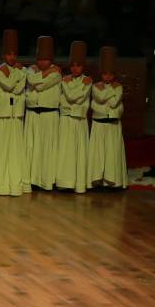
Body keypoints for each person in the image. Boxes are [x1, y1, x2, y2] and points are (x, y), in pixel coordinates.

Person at [0, 30, 28, 196]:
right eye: (8, 54)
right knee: (2, 150)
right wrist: (17, 76)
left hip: (16, 115)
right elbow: (7, 85)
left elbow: (19, 88)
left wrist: (16, 75)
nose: (12, 57)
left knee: (15, 152)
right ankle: (0, 185)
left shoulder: (22, 71)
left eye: (14, 54)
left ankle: (15, 184)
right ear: (3, 55)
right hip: (3, 114)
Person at [25, 35, 61, 191]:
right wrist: (41, 74)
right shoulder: (30, 70)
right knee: (32, 148)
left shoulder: (56, 74)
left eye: (46, 59)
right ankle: (31, 180)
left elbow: (40, 86)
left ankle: (46, 181)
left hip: (49, 115)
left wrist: (39, 76)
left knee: (47, 149)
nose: (42, 62)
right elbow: (33, 82)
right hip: (33, 114)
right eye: (40, 59)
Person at [88, 46, 127, 189]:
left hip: (113, 125)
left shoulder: (119, 87)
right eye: (105, 74)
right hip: (99, 124)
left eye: (110, 74)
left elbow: (114, 102)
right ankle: (97, 180)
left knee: (112, 153)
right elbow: (99, 97)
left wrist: (105, 98)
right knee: (98, 154)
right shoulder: (96, 86)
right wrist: (108, 94)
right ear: (101, 74)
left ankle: (111, 182)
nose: (108, 77)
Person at [57, 41, 92, 193]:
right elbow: (71, 97)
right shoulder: (65, 79)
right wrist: (76, 90)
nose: (75, 68)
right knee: (66, 151)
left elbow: (78, 97)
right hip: (66, 118)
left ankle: (78, 183)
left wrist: (74, 93)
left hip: (79, 119)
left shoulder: (88, 80)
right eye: (73, 65)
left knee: (79, 151)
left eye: (78, 65)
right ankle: (64, 182)